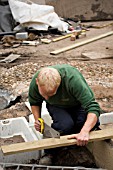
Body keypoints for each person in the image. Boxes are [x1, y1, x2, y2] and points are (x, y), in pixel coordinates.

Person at [28, 64, 101, 165]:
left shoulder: (73, 80)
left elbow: (93, 107)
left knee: (86, 123)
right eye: (43, 94)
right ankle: (50, 152)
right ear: (37, 82)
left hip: (78, 104)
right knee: (64, 125)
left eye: (51, 94)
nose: (46, 98)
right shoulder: (35, 82)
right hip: (56, 106)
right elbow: (35, 102)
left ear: (59, 84)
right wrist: (38, 119)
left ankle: (75, 146)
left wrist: (84, 131)